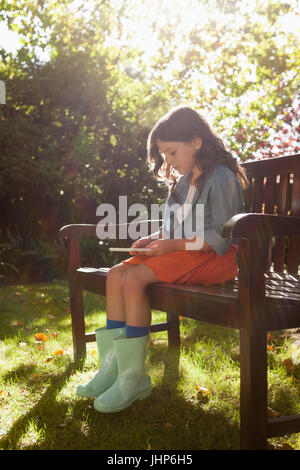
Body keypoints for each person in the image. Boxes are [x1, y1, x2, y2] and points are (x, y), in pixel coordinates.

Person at [77, 105, 249, 413]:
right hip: (185, 254)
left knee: (134, 278)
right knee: (117, 274)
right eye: (164, 154)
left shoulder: (221, 178)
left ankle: (134, 378)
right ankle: (112, 367)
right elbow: (172, 229)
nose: (168, 161)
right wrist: (154, 239)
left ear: (196, 142)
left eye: (171, 152)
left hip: (215, 259)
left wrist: (171, 245)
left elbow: (220, 237)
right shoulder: (182, 185)